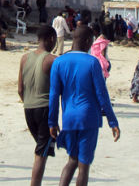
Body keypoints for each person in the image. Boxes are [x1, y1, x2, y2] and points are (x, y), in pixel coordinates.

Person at [49, 26, 120, 186]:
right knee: (83, 166)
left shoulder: (58, 62)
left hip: (68, 119)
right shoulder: (92, 62)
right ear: (88, 41)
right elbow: (102, 95)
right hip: (88, 119)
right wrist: (112, 121)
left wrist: (52, 122)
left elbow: (54, 95)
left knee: (72, 160)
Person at [18, 25, 57, 186]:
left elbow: (20, 89)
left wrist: (28, 101)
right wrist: (53, 119)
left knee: (43, 148)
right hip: (44, 109)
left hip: (28, 108)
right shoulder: (52, 60)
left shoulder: (24, 58)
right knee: (40, 153)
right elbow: (57, 93)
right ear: (51, 39)